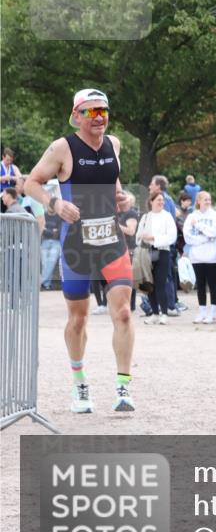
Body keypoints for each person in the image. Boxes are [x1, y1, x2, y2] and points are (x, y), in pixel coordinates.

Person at [24, 88, 136, 412]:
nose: (99, 117)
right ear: (77, 115)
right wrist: (55, 203)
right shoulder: (62, 147)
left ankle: (123, 387)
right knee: (78, 318)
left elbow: (113, 184)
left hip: (111, 239)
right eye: (91, 112)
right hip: (77, 244)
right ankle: (80, 383)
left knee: (124, 312)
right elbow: (31, 182)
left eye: (103, 111)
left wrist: (122, 196)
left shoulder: (114, 144)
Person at [137, 190, 177, 325]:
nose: (161, 202)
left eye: (162, 200)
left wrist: (154, 238)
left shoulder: (167, 216)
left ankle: (164, 313)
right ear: (151, 201)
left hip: (162, 252)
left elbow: (172, 237)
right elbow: (138, 236)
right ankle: (154, 313)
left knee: (160, 284)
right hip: (146, 252)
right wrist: (143, 239)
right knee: (149, 284)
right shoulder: (145, 217)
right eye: (158, 200)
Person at [183, 190, 216, 324]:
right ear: (198, 201)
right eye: (205, 199)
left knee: (212, 284)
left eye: (209, 199)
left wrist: (199, 225)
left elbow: (213, 233)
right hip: (197, 256)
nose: (208, 202)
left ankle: (212, 313)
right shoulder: (192, 216)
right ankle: (201, 312)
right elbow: (188, 236)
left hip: (213, 256)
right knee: (200, 285)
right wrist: (203, 239)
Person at [40, 199, 62, 290]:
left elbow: (58, 233)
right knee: (44, 263)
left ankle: (42, 282)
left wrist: (46, 230)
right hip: (44, 241)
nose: (51, 207)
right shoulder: (43, 215)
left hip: (56, 242)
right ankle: (47, 285)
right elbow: (41, 230)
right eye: (50, 205)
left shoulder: (59, 217)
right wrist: (51, 231)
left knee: (51, 262)